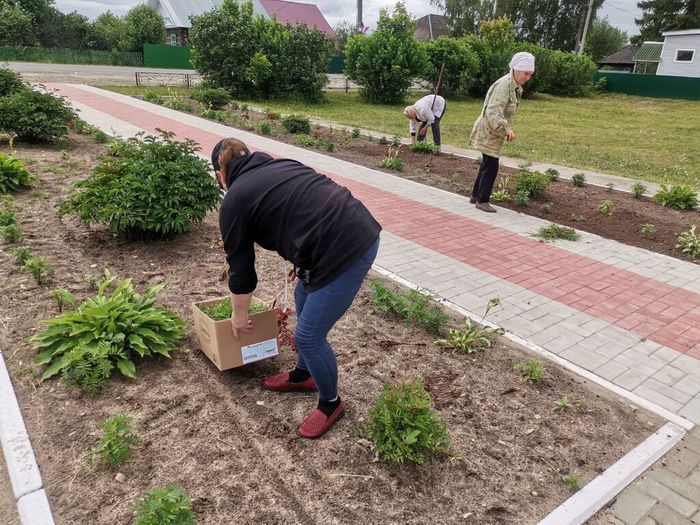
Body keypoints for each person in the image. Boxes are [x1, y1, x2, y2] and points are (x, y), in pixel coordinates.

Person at [211, 138, 382, 439]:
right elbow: (301, 211)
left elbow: (241, 267)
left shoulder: (234, 200)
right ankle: (304, 374)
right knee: (304, 294)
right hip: (348, 227)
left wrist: (239, 315)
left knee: (309, 336)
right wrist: (303, 259)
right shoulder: (280, 165)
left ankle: (331, 403)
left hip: (348, 247)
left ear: (220, 175)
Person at [469, 51, 535, 213]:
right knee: (491, 166)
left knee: (486, 164)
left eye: (530, 74)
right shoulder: (504, 86)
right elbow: (493, 111)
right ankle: (482, 201)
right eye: (526, 73)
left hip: (493, 131)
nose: (528, 77)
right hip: (490, 131)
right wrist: (506, 129)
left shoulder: (513, 85)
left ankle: (475, 196)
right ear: (516, 69)